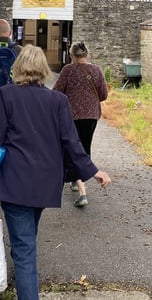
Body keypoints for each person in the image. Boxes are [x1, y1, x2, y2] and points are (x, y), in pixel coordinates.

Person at [0, 45, 111, 300]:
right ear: (43, 70)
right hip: (45, 184)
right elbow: (71, 142)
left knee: (24, 247)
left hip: (14, 183)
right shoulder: (57, 100)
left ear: (19, 67)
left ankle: (26, 286)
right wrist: (94, 171)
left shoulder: (6, 95)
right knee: (25, 239)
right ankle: (23, 274)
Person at [53, 41, 109, 207]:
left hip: (72, 116)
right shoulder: (97, 70)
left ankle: (82, 190)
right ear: (87, 54)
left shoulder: (68, 70)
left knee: (74, 148)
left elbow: (56, 92)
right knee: (84, 147)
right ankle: (76, 179)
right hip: (92, 116)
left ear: (72, 55)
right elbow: (104, 95)